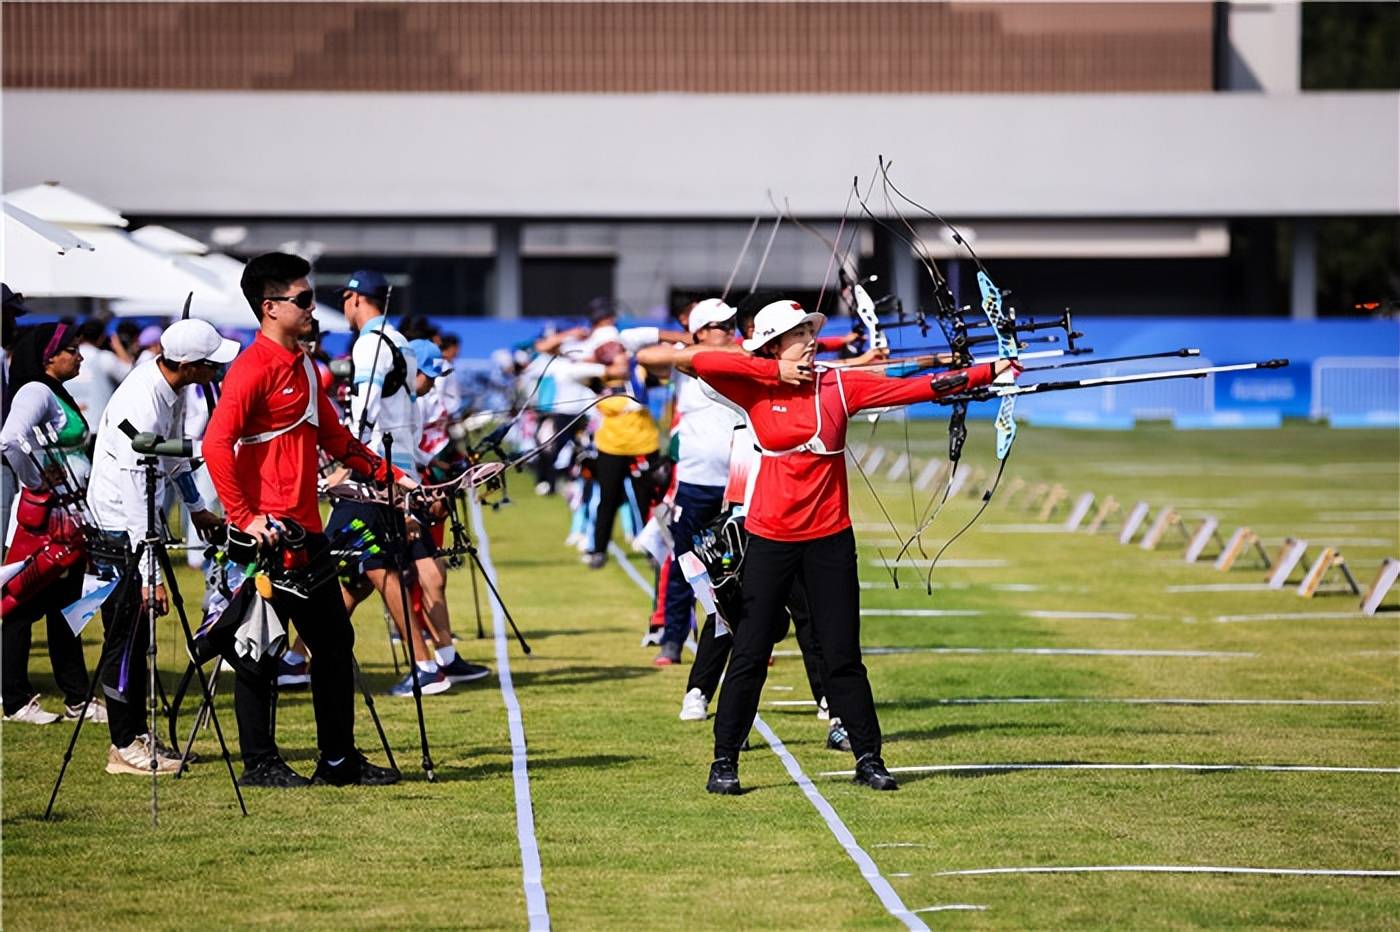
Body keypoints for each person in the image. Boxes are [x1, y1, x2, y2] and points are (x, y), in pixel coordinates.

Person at [690, 298, 1017, 794]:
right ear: (778, 345)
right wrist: (770, 367)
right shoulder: (752, 385)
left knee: (842, 654)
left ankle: (868, 756)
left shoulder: (837, 384)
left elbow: (912, 388)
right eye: (799, 335)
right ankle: (724, 761)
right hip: (769, 539)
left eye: (808, 332)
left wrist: (988, 370)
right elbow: (703, 361)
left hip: (828, 541)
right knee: (752, 651)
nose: (809, 340)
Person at [204, 252, 406, 788]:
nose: (314, 308)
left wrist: (396, 477)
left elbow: (338, 441)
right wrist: (244, 517)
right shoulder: (252, 368)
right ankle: (260, 765)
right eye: (304, 299)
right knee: (259, 651)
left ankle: (338, 762)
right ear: (270, 308)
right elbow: (215, 443)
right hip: (268, 538)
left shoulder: (306, 368)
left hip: (307, 535)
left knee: (335, 646)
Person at [86, 318, 233, 775]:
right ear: (188, 365)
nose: (217, 372)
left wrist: (196, 508)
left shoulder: (173, 388)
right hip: (120, 528)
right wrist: (151, 575)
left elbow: (172, 456)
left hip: (136, 524)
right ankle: (122, 745)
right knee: (125, 638)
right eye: (212, 365)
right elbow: (134, 490)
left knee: (139, 634)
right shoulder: (144, 398)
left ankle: (135, 734)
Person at [323, 270, 447, 698]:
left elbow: (365, 411)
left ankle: (426, 664)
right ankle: (298, 658)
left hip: (373, 471)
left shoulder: (370, 344)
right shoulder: (401, 344)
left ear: (355, 299)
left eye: (345, 299)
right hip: (393, 468)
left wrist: (345, 465)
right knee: (358, 573)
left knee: (354, 562)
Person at [634, 299, 746, 666]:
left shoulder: (744, 357)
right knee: (688, 565)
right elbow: (642, 353)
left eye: (732, 326)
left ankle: (747, 640)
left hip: (741, 484)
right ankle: (673, 639)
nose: (730, 332)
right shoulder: (684, 360)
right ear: (699, 331)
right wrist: (690, 344)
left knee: (743, 568)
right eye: (721, 326)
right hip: (696, 483)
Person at [0, 322, 94, 724]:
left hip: (68, 518)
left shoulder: (56, 392)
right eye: (72, 349)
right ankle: (16, 701)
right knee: (21, 604)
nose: (80, 355)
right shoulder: (35, 391)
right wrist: (35, 479)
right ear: (47, 357)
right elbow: (9, 439)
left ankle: (76, 697)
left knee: (67, 606)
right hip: (43, 522)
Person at [66, 318, 134, 423]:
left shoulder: (67, 357)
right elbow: (129, 373)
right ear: (102, 337)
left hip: (71, 423)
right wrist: (118, 346)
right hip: (97, 423)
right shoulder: (104, 358)